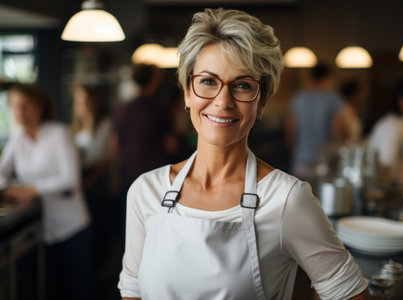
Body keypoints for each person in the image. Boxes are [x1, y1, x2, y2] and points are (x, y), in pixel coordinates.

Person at [118, 8, 369, 300]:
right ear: (187, 92)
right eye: (208, 81)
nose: (223, 102)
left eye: (242, 85)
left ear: (261, 103)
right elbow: (133, 292)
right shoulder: (145, 191)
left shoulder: (288, 200)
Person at [0, 83, 92, 300]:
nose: (20, 112)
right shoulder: (17, 139)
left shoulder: (58, 133)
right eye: (15, 106)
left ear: (39, 107)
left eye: (26, 106)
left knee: (81, 288)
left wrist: (31, 190)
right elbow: (1, 173)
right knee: (52, 290)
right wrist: (9, 188)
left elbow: (71, 179)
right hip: (44, 228)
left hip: (72, 226)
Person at [71, 82, 114, 290]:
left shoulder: (104, 125)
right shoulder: (74, 128)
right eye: (79, 101)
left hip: (97, 182)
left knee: (98, 230)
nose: (83, 105)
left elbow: (106, 158)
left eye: (86, 101)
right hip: (79, 182)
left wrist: (92, 179)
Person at [286, 62, 348, 181]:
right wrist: (346, 146)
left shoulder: (298, 98)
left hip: (301, 159)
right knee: (321, 197)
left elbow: (291, 130)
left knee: (299, 196)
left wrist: (293, 152)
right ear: (328, 77)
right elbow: (340, 127)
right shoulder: (333, 98)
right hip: (323, 159)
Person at [339, 79, 364, 143]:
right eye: (360, 93)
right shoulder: (343, 109)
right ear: (353, 94)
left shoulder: (352, 108)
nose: (362, 96)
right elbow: (342, 133)